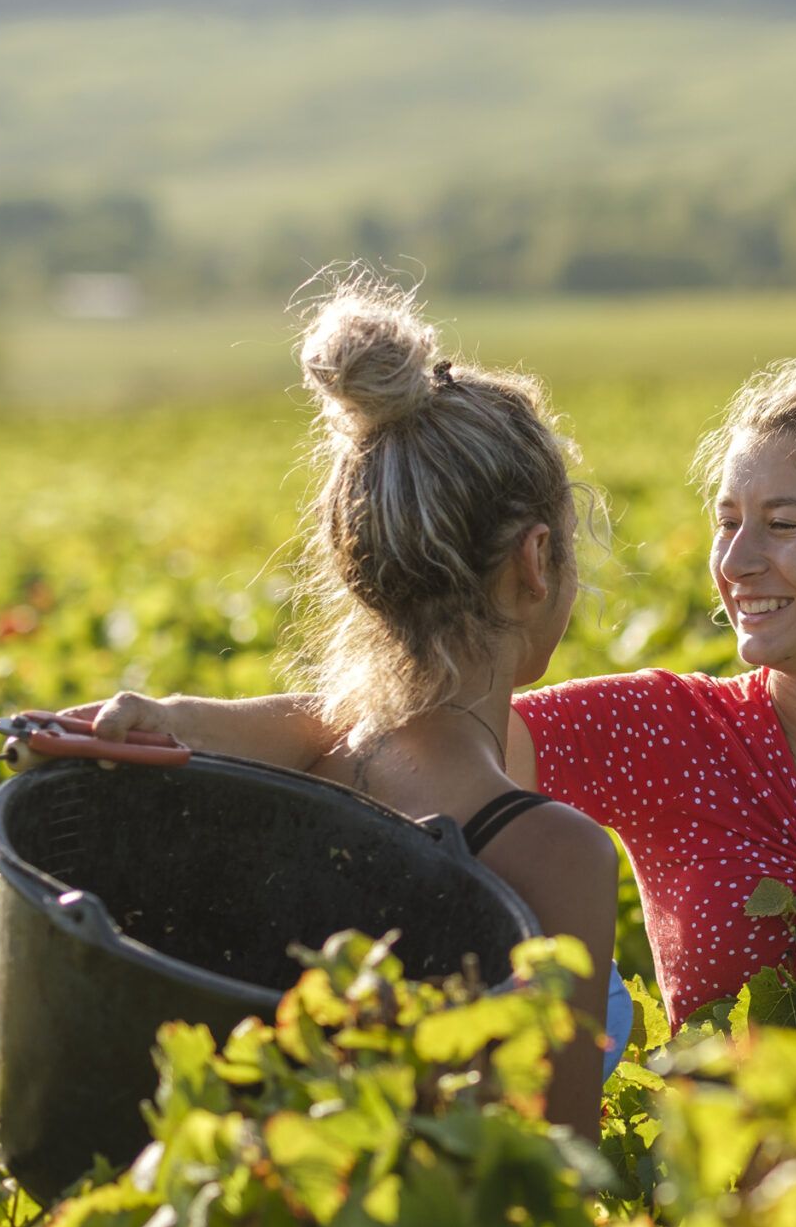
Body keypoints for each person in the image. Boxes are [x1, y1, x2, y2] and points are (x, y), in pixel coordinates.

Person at [95, 351, 796, 1041]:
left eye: (781, 524)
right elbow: (411, 733)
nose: (736, 560)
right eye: (727, 521)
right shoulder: (663, 733)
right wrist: (181, 722)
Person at [104, 274, 623, 1137]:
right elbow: (555, 1177)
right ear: (537, 561)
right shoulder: (554, 851)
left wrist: (185, 716)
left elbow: (341, 720)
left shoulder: (306, 764)